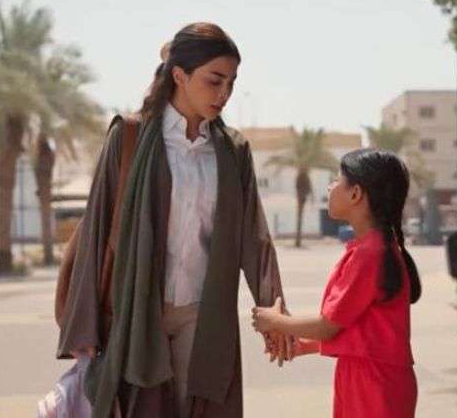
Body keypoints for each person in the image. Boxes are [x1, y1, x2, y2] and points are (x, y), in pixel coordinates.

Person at [55, 22, 293, 418]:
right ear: (180, 76)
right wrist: (85, 326)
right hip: (136, 310)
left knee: (202, 407)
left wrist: (274, 311)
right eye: (214, 80)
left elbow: (254, 238)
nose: (224, 93)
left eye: (231, 83)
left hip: (203, 311)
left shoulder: (232, 151)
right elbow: (96, 227)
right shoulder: (129, 137)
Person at [252, 149, 422, 418]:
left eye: (336, 180)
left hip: (374, 384)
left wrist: (273, 320)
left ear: (355, 194)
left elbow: (327, 326)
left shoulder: (370, 254)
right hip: (367, 378)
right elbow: (356, 331)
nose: (330, 187)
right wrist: (302, 345)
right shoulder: (372, 249)